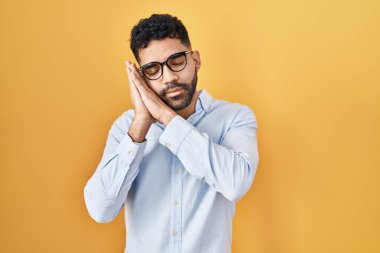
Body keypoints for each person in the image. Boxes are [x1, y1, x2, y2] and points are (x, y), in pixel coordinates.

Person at [83, 13, 259, 253]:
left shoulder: (235, 117)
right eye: (153, 69)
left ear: (195, 60)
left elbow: (236, 184)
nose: (169, 78)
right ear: (141, 78)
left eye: (176, 61)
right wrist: (140, 126)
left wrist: (167, 117)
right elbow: (101, 210)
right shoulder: (127, 127)